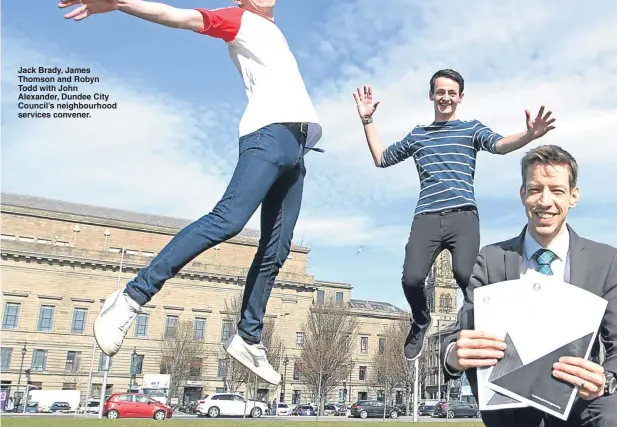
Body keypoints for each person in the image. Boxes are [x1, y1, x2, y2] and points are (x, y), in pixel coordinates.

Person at [59, 0, 323, 385]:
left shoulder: (273, 31)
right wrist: (119, 3)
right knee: (227, 221)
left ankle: (248, 336)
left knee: (278, 246)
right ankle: (131, 298)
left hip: (297, 150)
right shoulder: (240, 19)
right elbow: (180, 16)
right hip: (267, 136)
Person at [353, 69, 556, 360]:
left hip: (463, 216)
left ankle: (486, 329)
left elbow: (499, 145)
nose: (445, 97)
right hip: (427, 216)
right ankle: (421, 321)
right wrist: (367, 120)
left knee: (466, 274)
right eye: (440, 92)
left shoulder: (471, 130)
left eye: (451, 93)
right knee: (411, 279)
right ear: (431, 95)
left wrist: (529, 135)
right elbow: (381, 158)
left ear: (460, 97)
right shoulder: (418, 136)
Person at [440, 145, 617, 426]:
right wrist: (453, 355)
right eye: (535, 189)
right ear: (523, 194)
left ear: (573, 196)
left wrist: (605, 381)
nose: (545, 201)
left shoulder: (606, 261)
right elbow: (462, 332)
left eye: (557, 190)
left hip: (582, 407)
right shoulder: (491, 259)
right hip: (511, 409)